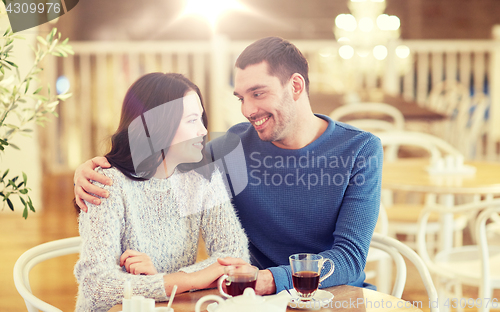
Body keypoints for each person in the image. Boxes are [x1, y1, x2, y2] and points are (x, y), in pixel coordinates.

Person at [74, 37, 383, 296]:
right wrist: (90, 169)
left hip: (332, 295)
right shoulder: (233, 146)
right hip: (250, 299)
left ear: (296, 86)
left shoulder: (359, 149)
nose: (247, 110)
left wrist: (269, 279)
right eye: (241, 98)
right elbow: (166, 160)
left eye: (258, 93)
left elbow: (350, 258)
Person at [73, 72, 249, 311]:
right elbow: (96, 287)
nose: (202, 130)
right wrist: (188, 279)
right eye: (191, 120)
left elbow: (235, 257)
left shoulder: (203, 179)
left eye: (201, 118)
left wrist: (162, 279)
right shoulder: (105, 184)